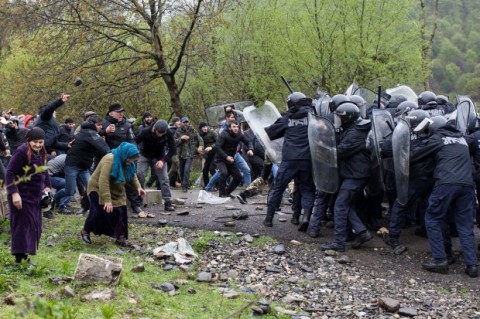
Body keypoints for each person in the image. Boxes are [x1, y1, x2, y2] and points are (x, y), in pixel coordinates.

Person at [319, 103, 373, 252]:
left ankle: (339, 243)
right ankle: (361, 232)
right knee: (346, 205)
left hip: (356, 174)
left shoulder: (356, 132)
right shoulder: (353, 128)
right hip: (353, 172)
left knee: (340, 205)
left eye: (341, 117)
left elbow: (341, 151)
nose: (339, 120)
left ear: (349, 117)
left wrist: (321, 151)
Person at [263, 92, 315, 230]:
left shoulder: (286, 118)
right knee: (307, 190)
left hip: (289, 160)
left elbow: (270, 133)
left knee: (278, 188)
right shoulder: (313, 117)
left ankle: (268, 219)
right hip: (307, 159)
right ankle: (305, 217)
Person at [80, 142, 145, 246]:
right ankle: (85, 231)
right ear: (125, 154)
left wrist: (138, 187)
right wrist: (107, 200)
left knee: (120, 212)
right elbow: (103, 180)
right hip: (97, 188)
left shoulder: (127, 161)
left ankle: (121, 238)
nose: (131, 161)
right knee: (97, 212)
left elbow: (132, 174)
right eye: (130, 158)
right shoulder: (110, 159)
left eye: (133, 159)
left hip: (116, 189)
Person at [6, 127, 51, 264]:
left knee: (33, 226)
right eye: (35, 142)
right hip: (21, 195)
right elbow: (9, 173)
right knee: (22, 226)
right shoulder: (21, 152)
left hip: (35, 196)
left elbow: (44, 171)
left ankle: (26, 256)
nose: (37, 145)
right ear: (29, 140)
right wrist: (14, 194)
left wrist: (47, 187)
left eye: (40, 142)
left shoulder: (42, 152)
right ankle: (19, 259)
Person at [58, 115, 110, 214]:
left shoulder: (90, 132)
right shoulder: (89, 133)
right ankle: (56, 199)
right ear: (93, 124)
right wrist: (113, 154)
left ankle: (94, 209)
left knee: (91, 187)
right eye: (99, 125)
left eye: (101, 125)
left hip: (84, 167)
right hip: (72, 165)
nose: (100, 127)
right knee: (70, 191)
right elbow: (104, 148)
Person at [135, 119, 177, 213]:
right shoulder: (145, 131)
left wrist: (163, 160)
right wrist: (133, 153)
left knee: (164, 178)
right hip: (144, 155)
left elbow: (173, 149)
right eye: (159, 133)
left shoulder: (168, 133)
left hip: (159, 157)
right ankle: (139, 199)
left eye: (163, 133)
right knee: (140, 174)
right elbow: (134, 141)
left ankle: (167, 201)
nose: (161, 135)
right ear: (155, 129)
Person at [215, 121, 253, 198]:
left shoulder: (239, 134)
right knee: (224, 173)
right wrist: (226, 157)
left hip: (231, 159)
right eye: (234, 127)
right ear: (229, 128)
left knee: (238, 177)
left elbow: (248, 141)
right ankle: (221, 194)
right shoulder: (224, 134)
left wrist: (250, 149)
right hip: (221, 158)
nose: (236, 128)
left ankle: (227, 192)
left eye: (237, 127)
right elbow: (217, 147)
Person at [174, 116, 203, 192]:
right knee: (182, 171)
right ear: (181, 123)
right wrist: (181, 138)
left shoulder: (192, 130)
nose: (186, 123)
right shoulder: (178, 131)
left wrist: (200, 146)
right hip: (181, 155)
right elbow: (174, 142)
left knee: (187, 170)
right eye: (184, 122)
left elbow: (200, 139)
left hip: (190, 154)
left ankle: (185, 186)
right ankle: (184, 184)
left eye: (187, 122)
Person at [198, 121, 217, 186]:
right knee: (205, 171)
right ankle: (206, 186)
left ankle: (218, 185)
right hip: (207, 155)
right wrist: (199, 150)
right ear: (200, 128)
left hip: (215, 153)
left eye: (206, 126)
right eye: (203, 127)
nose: (205, 128)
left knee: (212, 169)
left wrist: (211, 147)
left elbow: (218, 142)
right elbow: (197, 144)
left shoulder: (212, 132)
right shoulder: (199, 135)